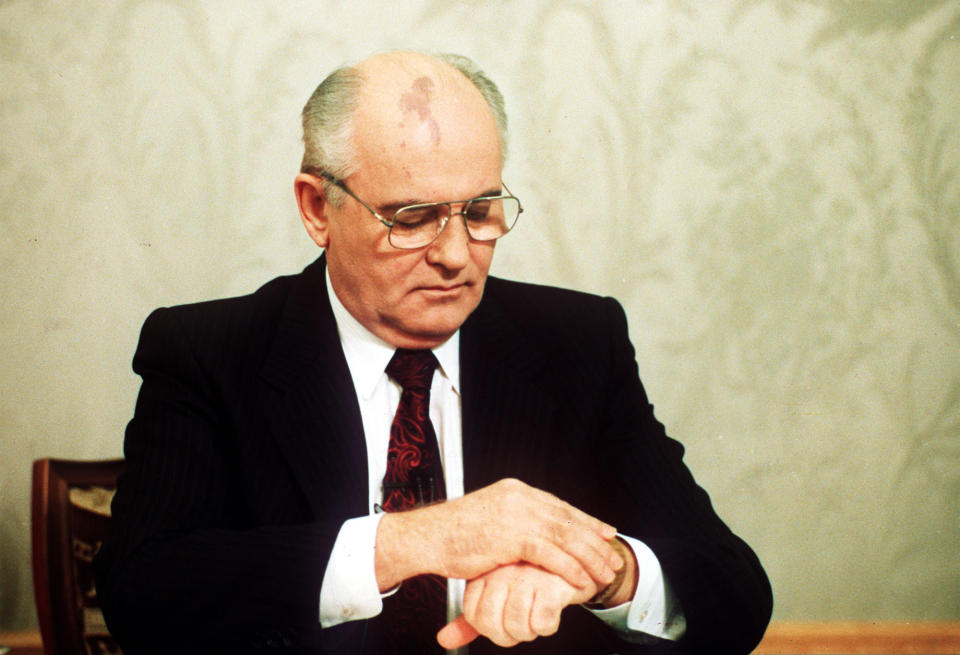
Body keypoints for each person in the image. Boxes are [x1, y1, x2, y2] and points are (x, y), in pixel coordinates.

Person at [94, 51, 772, 654]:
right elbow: (142, 595)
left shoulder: (577, 343)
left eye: (480, 212)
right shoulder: (209, 353)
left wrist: (604, 571)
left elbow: (733, 591)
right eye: (412, 218)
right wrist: (416, 541)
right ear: (317, 208)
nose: (454, 255)